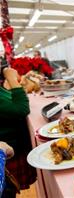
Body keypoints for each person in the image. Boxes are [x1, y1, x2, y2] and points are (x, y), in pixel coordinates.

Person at [0, 67, 36, 196]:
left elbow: (12, 98)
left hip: (11, 148)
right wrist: (11, 78)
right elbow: (21, 108)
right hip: (6, 154)